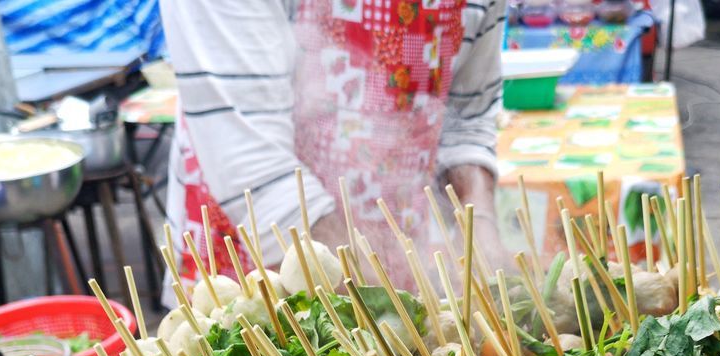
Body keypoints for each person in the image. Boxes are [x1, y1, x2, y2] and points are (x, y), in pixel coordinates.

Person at [158, 0, 507, 290]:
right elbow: (249, 154)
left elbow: (467, 116)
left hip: (396, 250)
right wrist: (379, 298)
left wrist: (479, 222)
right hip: (253, 255)